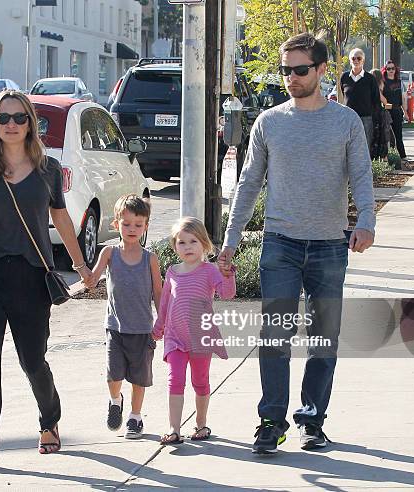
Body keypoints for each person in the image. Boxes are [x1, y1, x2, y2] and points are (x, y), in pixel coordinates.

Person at [218, 33, 375, 454]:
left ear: (322, 70)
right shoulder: (268, 122)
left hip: (328, 244)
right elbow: (248, 183)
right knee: (274, 338)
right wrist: (230, 240)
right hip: (280, 243)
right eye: (285, 70)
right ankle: (271, 421)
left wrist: (366, 223)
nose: (290, 77)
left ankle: (312, 420)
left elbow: (361, 174)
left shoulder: (345, 122)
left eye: (300, 70)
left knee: (323, 339)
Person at [0, 90, 93, 472]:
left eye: (19, 118)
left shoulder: (47, 168)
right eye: (3, 119)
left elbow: (62, 219)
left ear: (31, 122)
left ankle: (49, 420)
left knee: (33, 359)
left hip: (32, 276)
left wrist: (81, 267)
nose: (11, 125)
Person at [153, 217, 235, 445]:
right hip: (175, 336)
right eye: (182, 242)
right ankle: (174, 429)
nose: (188, 247)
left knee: (200, 382)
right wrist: (159, 325)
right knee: (175, 380)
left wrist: (228, 275)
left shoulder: (210, 270)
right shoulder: (172, 271)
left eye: (193, 241)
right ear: (174, 246)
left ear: (204, 244)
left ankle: (201, 424)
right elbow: (166, 302)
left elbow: (226, 294)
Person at [90, 194, 163, 439]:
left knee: (139, 377)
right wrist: (81, 270)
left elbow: (158, 292)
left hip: (143, 328)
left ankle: (135, 417)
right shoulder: (109, 253)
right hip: (115, 327)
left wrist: (162, 320)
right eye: (126, 224)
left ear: (146, 226)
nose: (132, 229)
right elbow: (92, 280)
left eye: (138, 225)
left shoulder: (150, 259)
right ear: (116, 224)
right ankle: (115, 401)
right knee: (114, 374)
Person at [340, 48, 381, 153]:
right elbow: (343, 95)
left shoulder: (370, 79)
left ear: (363, 60)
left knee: (364, 149)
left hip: (365, 119)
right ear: (350, 60)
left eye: (359, 58)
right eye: (353, 58)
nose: (356, 60)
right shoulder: (344, 77)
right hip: (347, 119)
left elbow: (376, 100)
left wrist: (376, 120)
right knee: (347, 148)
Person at [382, 60, 408, 164]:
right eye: (388, 69)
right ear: (385, 70)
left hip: (397, 111)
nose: (391, 70)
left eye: (393, 68)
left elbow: (403, 98)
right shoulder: (383, 83)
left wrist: (405, 112)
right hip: (387, 112)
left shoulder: (400, 82)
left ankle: (403, 157)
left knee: (398, 136)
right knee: (385, 136)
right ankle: (385, 157)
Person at [370, 68, 392, 160]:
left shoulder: (371, 86)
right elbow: (384, 100)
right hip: (377, 113)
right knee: (382, 136)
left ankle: (378, 157)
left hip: (372, 112)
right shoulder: (377, 87)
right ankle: (383, 157)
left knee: (376, 137)